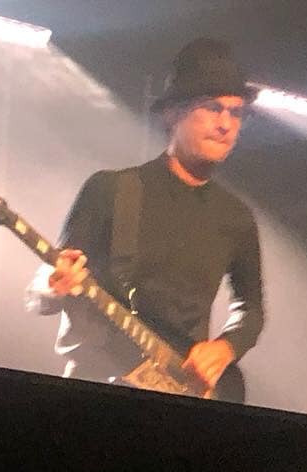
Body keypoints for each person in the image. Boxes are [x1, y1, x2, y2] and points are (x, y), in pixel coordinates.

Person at [28, 38, 264, 399]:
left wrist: (225, 347)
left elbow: (251, 309)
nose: (225, 124)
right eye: (213, 108)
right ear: (172, 114)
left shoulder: (236, 217)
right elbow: (42, 291)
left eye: (236, 113)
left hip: (180, 391)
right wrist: (52, 284)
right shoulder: (110, 190)